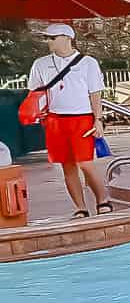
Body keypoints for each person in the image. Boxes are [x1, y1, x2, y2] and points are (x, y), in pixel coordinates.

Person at [27, 23, 112, 214]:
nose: (48, 41)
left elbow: (95, 93)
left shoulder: (88, 62)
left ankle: (102, 200)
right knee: (67, 165)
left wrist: (98, 119)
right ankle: (80, 207)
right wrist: (37, 111)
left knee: (86, 163)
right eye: (47, 38)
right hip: (55, 120)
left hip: (81, 118)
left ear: (67, 38)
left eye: (52, 37)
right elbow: (35, 91)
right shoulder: (40, 64)